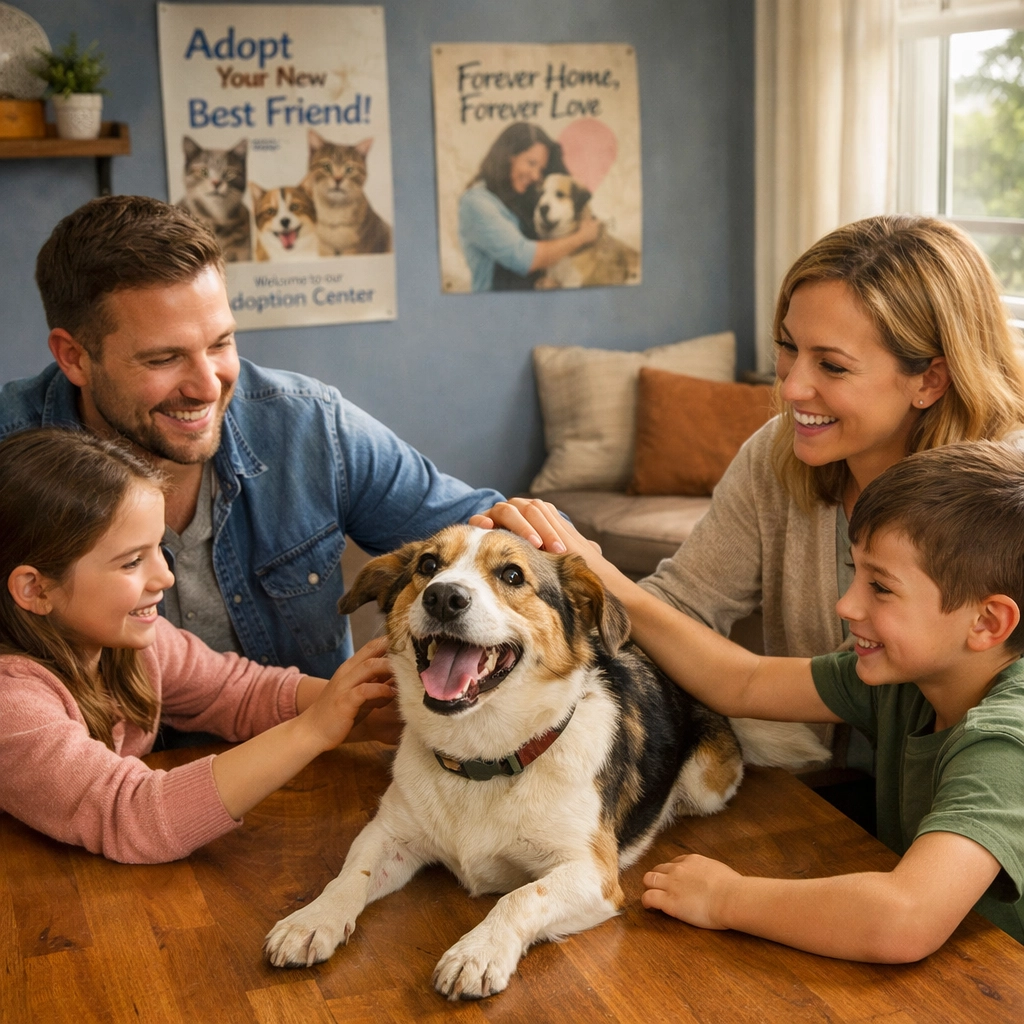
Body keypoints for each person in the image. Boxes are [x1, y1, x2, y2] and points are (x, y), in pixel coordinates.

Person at [478, 214, 1024, 768]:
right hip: (828, 794)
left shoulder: (1010, 496)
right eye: (788, 347)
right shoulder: (779, 453)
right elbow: (686, 611)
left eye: (832, 366)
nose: (789, 387)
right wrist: (512, 615)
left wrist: (600, 575)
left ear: (930, 379)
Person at [511, 441, 1024, 955]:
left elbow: (903, 918)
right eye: (855, 574)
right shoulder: (906, 677)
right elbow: (742, 682)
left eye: (881, 588)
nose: (847, 605)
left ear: (987, 622)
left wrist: (727, 898)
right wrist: (599, 572)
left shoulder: (1007, 741)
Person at [0, 194, 527, 688]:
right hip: (99, 777)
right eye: (163, 358)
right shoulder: (11, 453)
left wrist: (605, 586)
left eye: (221, 343)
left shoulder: (310, 426)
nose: (207, 386)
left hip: (304, 750)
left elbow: (504, 533)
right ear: (73, 356)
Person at [0, 429, 397, 864]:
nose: (165, 578)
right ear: (35, 589)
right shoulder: (11, 704)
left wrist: (366, 710)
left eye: (159, 551)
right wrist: (313, 729)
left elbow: (242, 692)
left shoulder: (130, 645)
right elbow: (134, 815)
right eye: (132, 561)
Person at [458, 121, 601, 292]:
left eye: (540, 169)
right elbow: (525, 258)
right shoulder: (476, 203)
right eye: (531, 163)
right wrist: (582, 238)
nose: (535, 175)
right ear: (507, 156)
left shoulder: (520, 196)